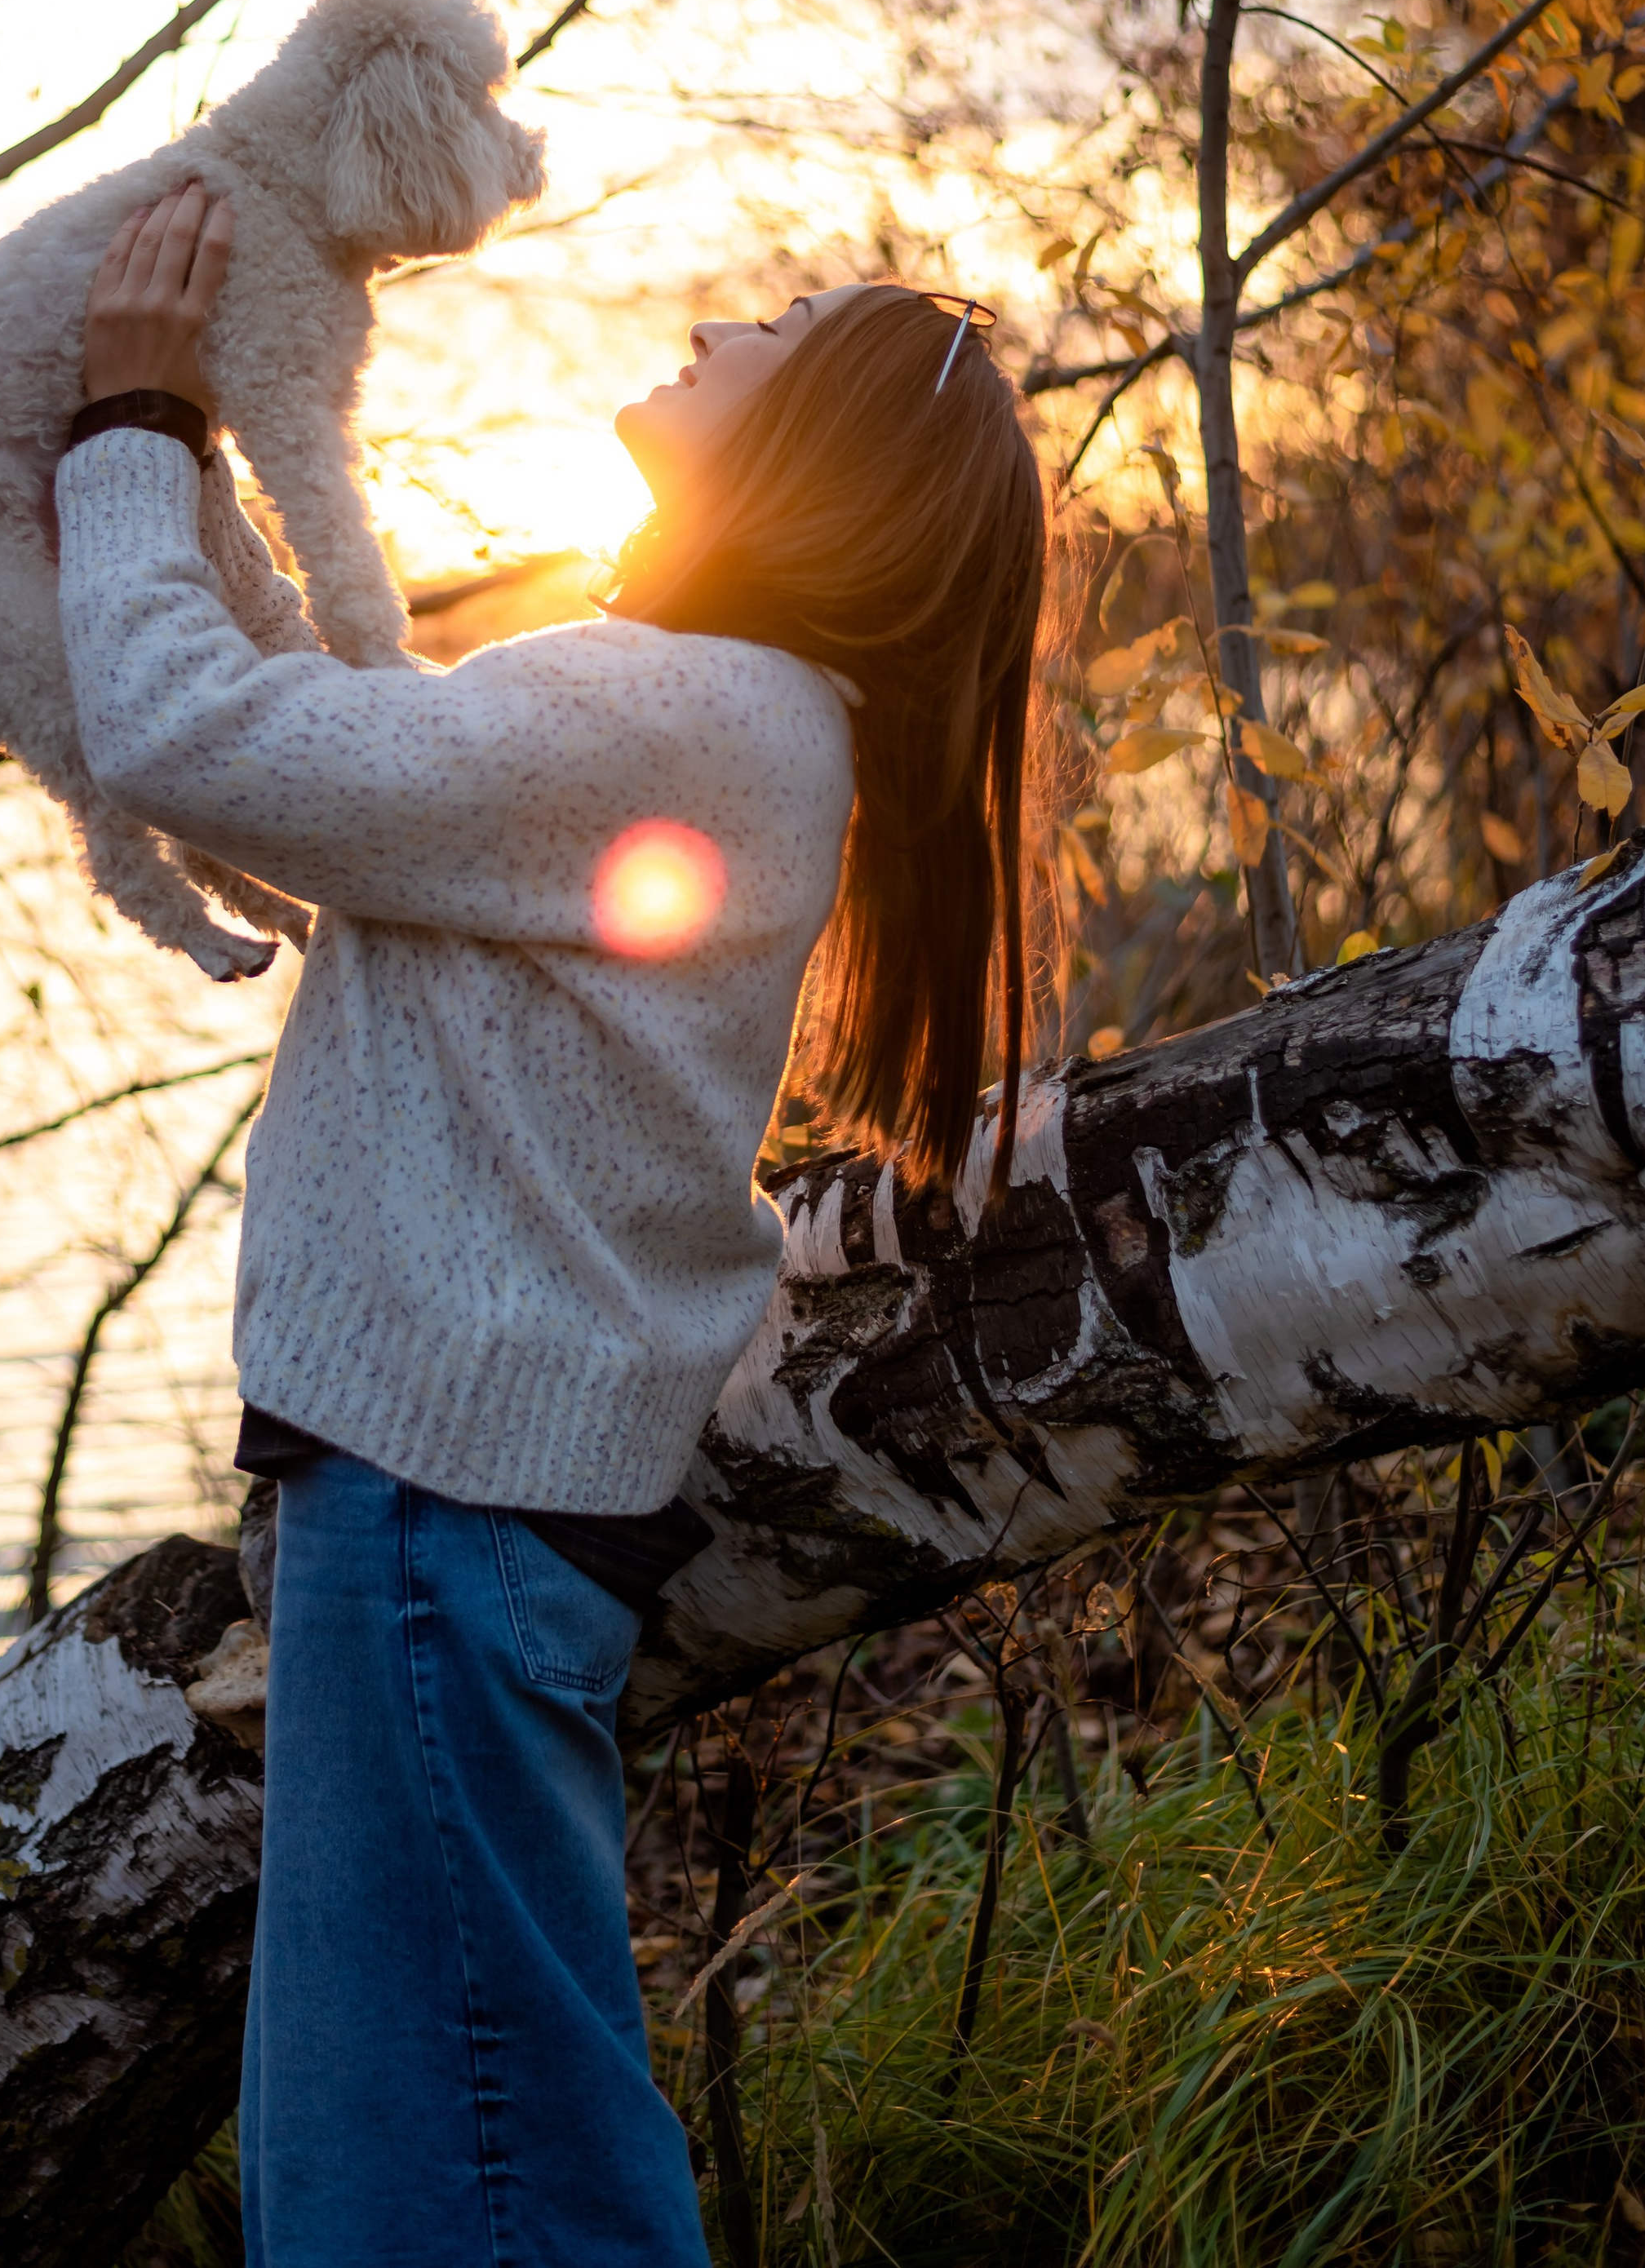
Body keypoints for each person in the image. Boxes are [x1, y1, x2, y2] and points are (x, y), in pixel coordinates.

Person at [53, 182, 1047, 2268]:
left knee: (460, 2172)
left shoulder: (684, 710)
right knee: (434, 2139)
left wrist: (131, 429)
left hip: (443, 1510)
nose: (726, 315)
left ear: (828, 444)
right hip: (453, 1506)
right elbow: (353, 792)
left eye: (780, 314)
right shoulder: (711, 710)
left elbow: (193, 741)